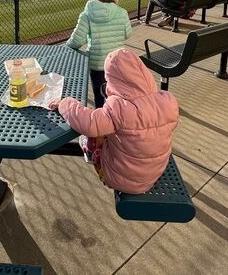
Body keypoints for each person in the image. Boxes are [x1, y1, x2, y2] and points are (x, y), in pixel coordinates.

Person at [48, 48, 179, 194]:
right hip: (154, 172)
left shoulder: (119, 108)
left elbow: (89, 123)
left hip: (119, 178)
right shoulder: (167, 100)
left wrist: (64, 103)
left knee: (95, 132)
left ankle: (88, 148)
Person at [66, 0, 131, 108]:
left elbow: (76, 42)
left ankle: (102, 125)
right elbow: (127, 34)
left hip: (97, 65)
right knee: (116, 98)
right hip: (117, 64)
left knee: (100, 99)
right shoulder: (122, 12)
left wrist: (68, 46)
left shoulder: (87, 14)